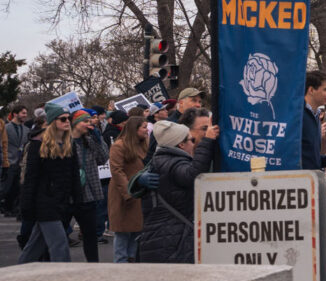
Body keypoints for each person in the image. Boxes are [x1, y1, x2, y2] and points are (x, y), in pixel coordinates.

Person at [137, 119, 217, 263]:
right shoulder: (173, 163)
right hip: (171, 238)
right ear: (180, 144)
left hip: (165, 235)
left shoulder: (163, 160)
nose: (194, 143)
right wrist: (207, 141)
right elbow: (193, 175)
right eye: (190, 140)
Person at [17, 103, 82, 263]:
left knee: (35, 246)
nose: (67, 122)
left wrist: (77, 199)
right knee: (60, 244)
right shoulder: (38, 145)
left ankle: (15, 275)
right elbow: (31, 178)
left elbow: (74, 176)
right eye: (63, 119)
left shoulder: (69, 144)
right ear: (53, 122)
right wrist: (26, 206)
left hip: (61, 202)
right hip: (44, 202)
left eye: (69, 119)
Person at [106, 112, 149, 263]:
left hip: (138, 193)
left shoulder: (143, 144)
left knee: (135, 232)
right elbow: (117, 171)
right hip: (123, 195)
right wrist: (128, 193)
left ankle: (131, 262)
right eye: (144, 127)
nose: (147, 130)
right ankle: (120, 264)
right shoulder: (119, 146)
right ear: (134, 129)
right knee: (123, 232)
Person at [68, 109, 108, 261]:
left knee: (90, 235)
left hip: (88, 192)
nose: (88, 124)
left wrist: (99, 139)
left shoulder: (89, 140)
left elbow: (103, 158)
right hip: (70, 193)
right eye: (85, 121)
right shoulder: (65, 141)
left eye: (90, 121)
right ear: (76, 124)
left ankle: (93, 265)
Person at [302, 71, 326, 170]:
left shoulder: (315, 115)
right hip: (297, 181)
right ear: (311, 90)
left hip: (310, 181)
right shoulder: (297, 115)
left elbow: (312, 159)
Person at [2, 104, 30, 215]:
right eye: (23, 113)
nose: (25, 115)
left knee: (17, 188)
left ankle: (13, 208)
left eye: (26, 113)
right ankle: (5, 207)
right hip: (9, 161)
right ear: (15, 114)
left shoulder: (26, 130)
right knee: (6, 187)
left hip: (21, 162)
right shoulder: (5, 128)